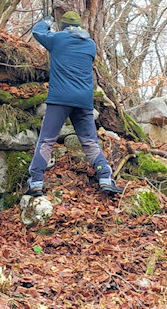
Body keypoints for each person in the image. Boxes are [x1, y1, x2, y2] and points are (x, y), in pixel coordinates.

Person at [25, 11, 123, 197]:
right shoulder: (91, 44)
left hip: (60, 99)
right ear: (79, 26)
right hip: (84, 101)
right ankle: (104, 177)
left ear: (63, 26)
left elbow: (37, 31)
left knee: (46, 140)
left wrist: (47, 20)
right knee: (89, 141)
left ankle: (36, 181)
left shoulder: (57, 39)